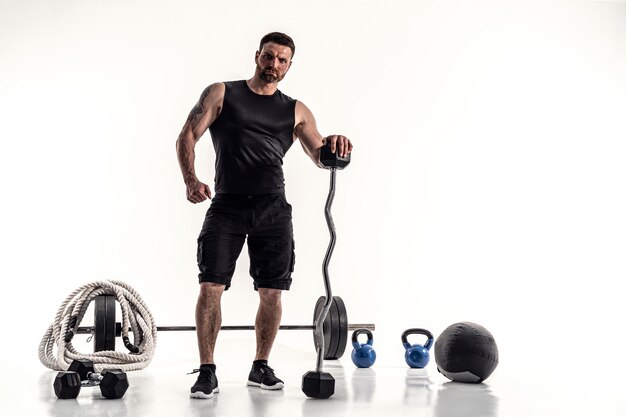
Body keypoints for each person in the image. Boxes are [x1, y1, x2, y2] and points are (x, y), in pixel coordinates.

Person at [175, 32, 353, 399]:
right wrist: (191, 180)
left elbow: (319, 155)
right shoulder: (222, 93)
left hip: (273, 208)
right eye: (268, 57)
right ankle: (207, 369)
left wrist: (336, 146)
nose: (273, 65)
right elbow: (187, 136)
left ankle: (260, 366)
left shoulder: (296, 109)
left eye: (282, 60)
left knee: (272, 292)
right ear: (257, 56)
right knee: (211, 286)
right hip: (227, 205)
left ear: (289, 66)